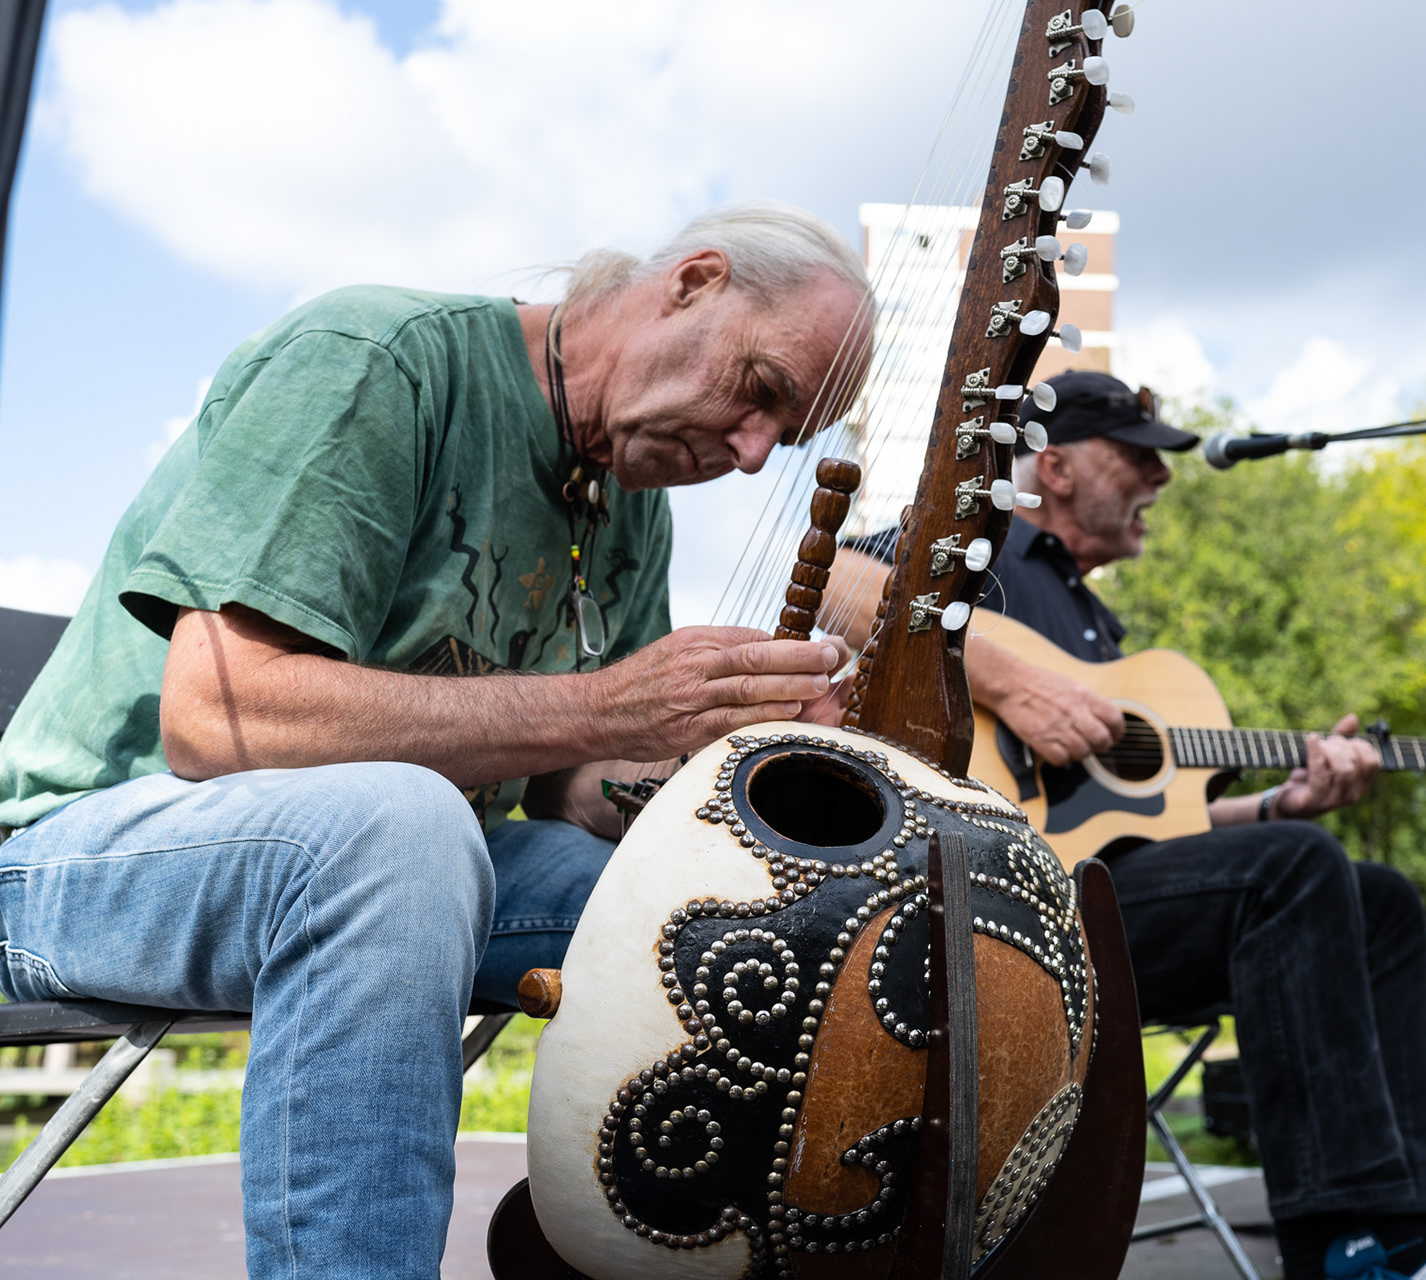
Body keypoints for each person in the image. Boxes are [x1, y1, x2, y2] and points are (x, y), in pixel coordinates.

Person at [0, 202, 872, 1278]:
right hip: (77, 859)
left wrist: (733, 752)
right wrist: (611, 703)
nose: (750, 456)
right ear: (693, 281)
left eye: (782, 440)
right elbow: (218, 716)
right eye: (763, 392)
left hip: (414, 864)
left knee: (758, 913)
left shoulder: (634, 504)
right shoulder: (381, 360)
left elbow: (572, 795)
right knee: (400, 825)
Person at [834, 371, 1426, 1280]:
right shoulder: (987, 543)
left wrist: (1277, 808)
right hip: (999, 903)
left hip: (1108, 902)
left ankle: (1416, 1232)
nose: (1163, 479)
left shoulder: (1098, 622)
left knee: (1380, 899)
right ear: (1052, 467)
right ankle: (1343, 1244)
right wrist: (1014, 684)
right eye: (1139, 457)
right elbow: (833, 583)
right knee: (1295, 868)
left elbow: (1152, 825)